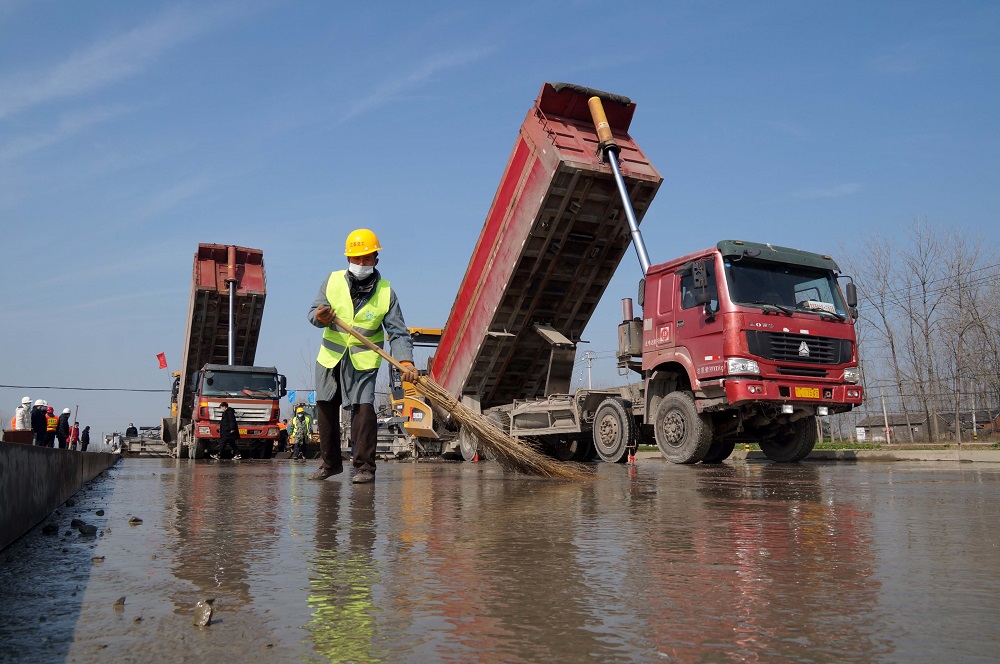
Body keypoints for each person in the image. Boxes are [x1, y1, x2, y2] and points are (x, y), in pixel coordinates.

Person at [307, 228, 417, 484]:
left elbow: (398, 332)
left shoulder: (386, 292)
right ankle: (330, 465)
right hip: (330, 358)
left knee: (363, 412)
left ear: (376, 260)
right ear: (348, 259)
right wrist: (320, 317)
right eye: (356, 259)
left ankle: (365, 467)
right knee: (325, 409)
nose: (361, 264)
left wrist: (406, 361)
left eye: (366, 259)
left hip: (363, 360)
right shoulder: (331, 281)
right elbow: (314, 313)